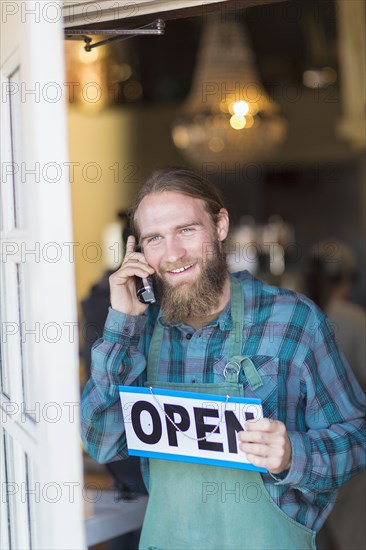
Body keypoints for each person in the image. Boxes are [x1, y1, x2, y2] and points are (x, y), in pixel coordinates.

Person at [81, 167, 365, 550]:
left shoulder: (294, 321)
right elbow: (102, 441)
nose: (173, 253)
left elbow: (356, 437)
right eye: (155, 238)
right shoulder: (138, 329)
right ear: (139, 251)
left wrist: (294, 454)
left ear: (220, 225)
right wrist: (121, 326)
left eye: (186, 230)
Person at [304, 240, 366, 550]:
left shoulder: (298, 318)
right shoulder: (354, 320)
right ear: (345, 278)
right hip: (349, 459)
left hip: (307, 460)